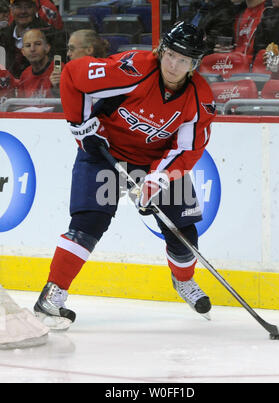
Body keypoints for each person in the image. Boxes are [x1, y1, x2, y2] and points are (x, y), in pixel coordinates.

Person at [33, 22, 217, 331]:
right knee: (88, 223)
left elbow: (188, 150)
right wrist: (81, 126)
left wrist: (158, 178)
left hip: (154, 160)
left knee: (184, 234)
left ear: (194, 65)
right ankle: (51, 297)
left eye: (183, 60)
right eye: (170, 55)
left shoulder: (200, 98)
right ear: (161, 51)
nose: (173, 65)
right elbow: (72, 75)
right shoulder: (132, 69)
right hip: (104, 150)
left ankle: (183, 281)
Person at [0, 0, 67, 78]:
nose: (23, 11)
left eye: (28, 6)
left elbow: (58, 62)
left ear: (35, 9)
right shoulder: (3, 36)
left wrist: (56, 75)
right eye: (18, 6)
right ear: (11, 9)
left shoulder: (52, 35)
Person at [18, 28, 63, 98]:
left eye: (37, 44)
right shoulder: (25, 75)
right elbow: (19, 105)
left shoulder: (60, 69)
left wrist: (58, 88)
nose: (32, 49)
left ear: (47, 48)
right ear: (23, 52)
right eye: (28, 45)